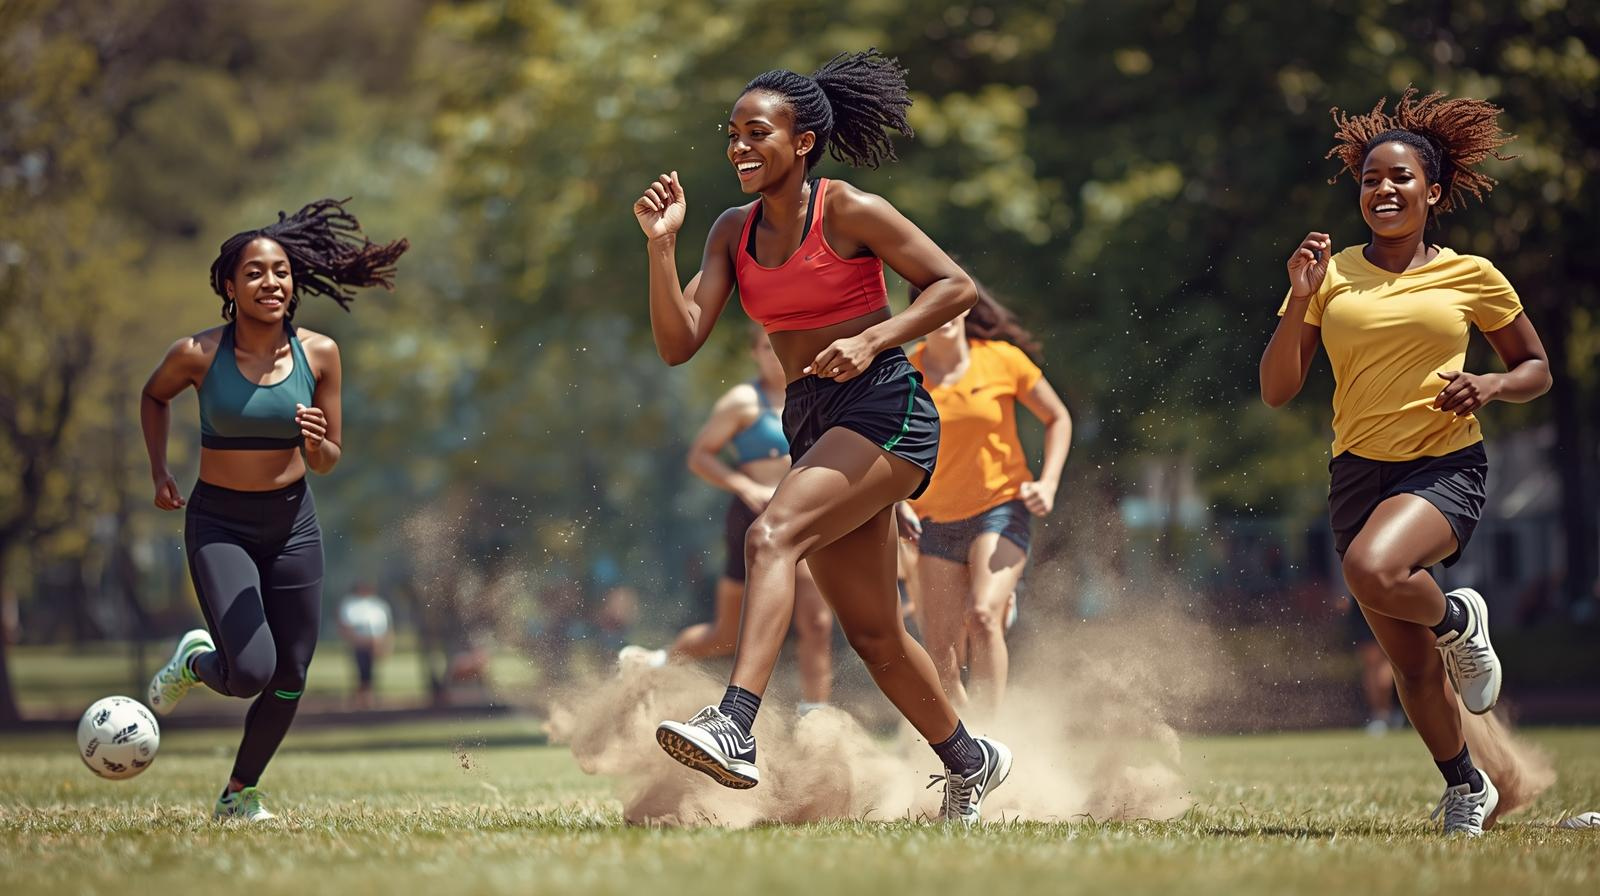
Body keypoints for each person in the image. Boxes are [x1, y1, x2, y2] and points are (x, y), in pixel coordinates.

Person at [632, 50, 1010, 823]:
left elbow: (954, 286)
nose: (739, 146)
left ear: (802, 141)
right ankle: (972, 762)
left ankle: (733, 724)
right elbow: (680, 341)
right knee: (873, 634)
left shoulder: (848, 210)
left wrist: (876, 341)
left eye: (756, 132)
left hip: (885, 404)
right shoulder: (730, 232)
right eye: (731, 134)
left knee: (772, 536)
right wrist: (660, 246)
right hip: (812, 418)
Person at [1260, 90, 1549, 836]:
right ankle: (1466, 786)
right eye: (1369, 180)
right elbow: (1277, 389)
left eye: (1399, 179)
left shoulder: (1472, 275)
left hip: (1442, 468)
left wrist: (1488, 383)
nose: (1382, 190)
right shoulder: (1330, 275)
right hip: (1358, 472)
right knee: (1412, 664)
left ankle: (1458, 617)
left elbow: (1536, 369)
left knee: (1372, 570)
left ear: (1434, 192)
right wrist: (1298, 301)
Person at [142, 199, 407, 822]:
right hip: (221, 525)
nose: (271, 283)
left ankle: (239, 795)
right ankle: (196, 662)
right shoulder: (197, 354)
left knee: (291, 672)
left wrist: (317, 444)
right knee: (250, 672)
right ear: (230, 286)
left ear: (295, 282)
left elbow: (329, 459)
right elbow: (154, 397)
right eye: (256, 272)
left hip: (293, 524)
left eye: (281, 271)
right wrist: (159, 471)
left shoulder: (321, 354)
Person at [620, 329, 834, 713]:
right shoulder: (742, 401)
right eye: (767, 347)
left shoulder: (820, 392)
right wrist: (744, 485)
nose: (776, 354)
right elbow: (700, 456)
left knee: (816, 623)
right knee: (726, 636)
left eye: (781, 345)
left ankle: (814, 717)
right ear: (754, 353)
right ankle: (655, 664)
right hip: (753, 521)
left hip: (806, 518)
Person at [902, 280, 1071, 720]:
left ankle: (996, 734)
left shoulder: (1001, 359)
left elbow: (1057, 417)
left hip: (1000, 505)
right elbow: (886, 444)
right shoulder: (905, 372)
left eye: (947, 303)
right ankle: (970, 746)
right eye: (926, 306)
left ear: (962, 307)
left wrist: (1048, 483)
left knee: (981, 616)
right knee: (941, 657)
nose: (940, 314)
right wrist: (897, 500)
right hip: (931, 521)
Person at [338, 582, 394, 710]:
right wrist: (357, 640)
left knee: (372, 671)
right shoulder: (351, 604)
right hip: (359, 642)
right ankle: (361, 699)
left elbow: (386, 626)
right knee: (361, 671)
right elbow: (346, 625)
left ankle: (369, 698)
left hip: (376, 641)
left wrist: (385, 643)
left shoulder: (378, 604)